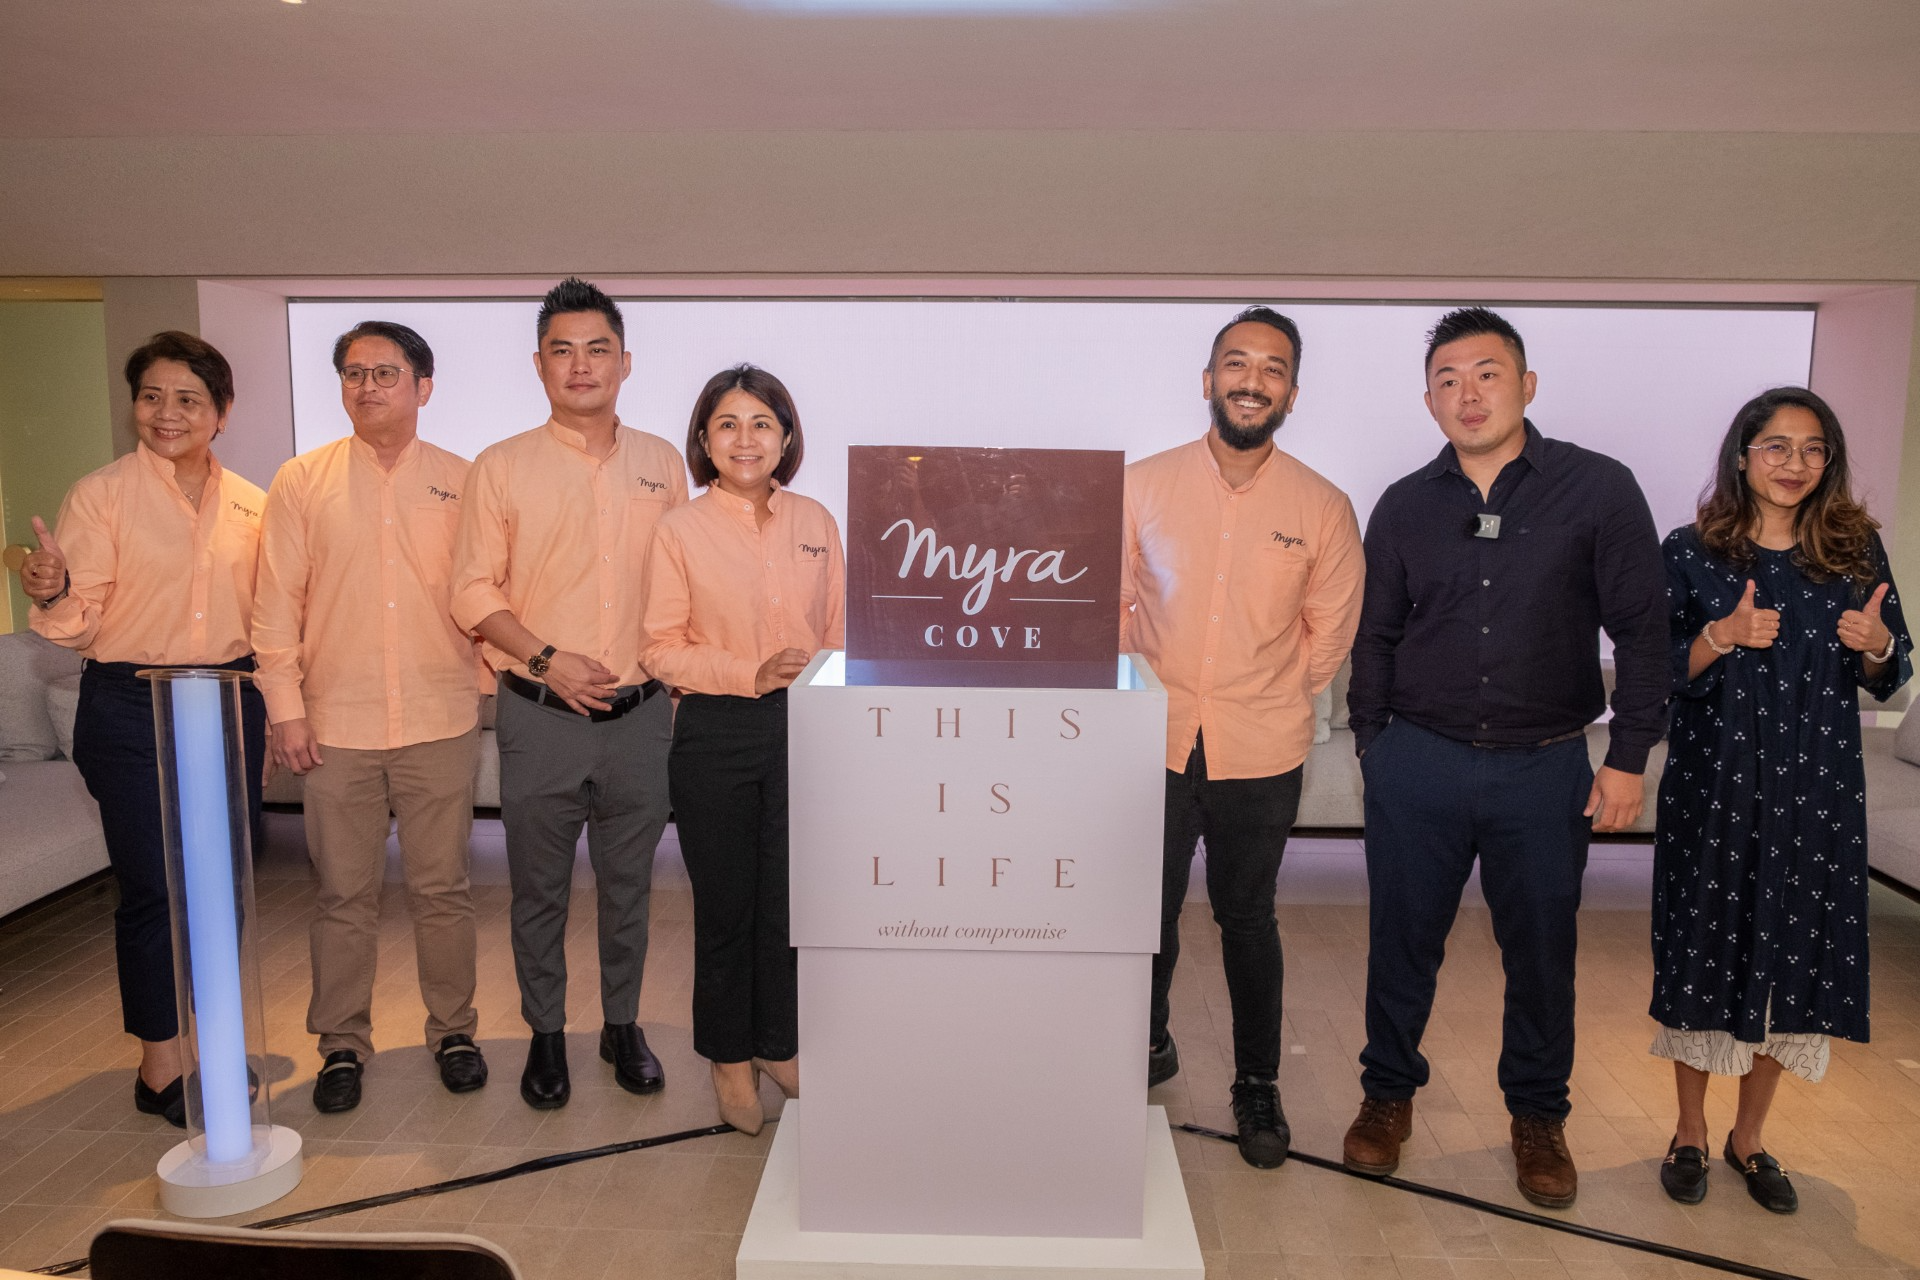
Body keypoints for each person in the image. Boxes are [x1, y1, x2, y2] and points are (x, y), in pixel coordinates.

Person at [1344, 307, 1667, 1208]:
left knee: (1542, 954)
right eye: (1447, 381)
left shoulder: (1599, 489)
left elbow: (1645, 634)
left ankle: (1538, 1117)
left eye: (1487, 374)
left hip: (1545, 767)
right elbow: (1376, 636)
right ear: (1429, 402)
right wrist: (1375, 745)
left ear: (1526, 385)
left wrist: (1628, 757)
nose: (1468, 394)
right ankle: (1386, 1095)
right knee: (1401, 944)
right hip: (1421, 761)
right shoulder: (1405, 504)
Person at [1649, 387, 1909, 1214]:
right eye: (1777, 447)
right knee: (1704, 951)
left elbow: (1890, 671)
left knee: (1794, 961)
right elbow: (1656, 673)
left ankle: (1749, 1139)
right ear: (1742, 455)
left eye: (1813, 449)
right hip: (1714, 788)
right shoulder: (1691, 551)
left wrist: (1877, 647)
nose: (1795, 464)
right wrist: (1720, 635)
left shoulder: (1855, 552)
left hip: (1818, 793)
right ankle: (1689, 1131)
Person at [1121, 306, 1365, 1168]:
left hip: (1261, 750)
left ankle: (1257, 1084)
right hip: (1149, 742)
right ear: (1208, 380)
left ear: (1291, 393)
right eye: (1236, 362)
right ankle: (1145, 1042)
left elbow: (1330, 634)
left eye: (1272, 368)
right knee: (1142, 911)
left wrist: (1268, 694)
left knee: (1247, 918)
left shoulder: (1323, 506)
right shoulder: (1142, 485)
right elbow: (1111, 606)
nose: (1251, 380)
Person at [19, 331, 268, 1127]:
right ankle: (161, 1061)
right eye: (152, 396)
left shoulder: (252, 504)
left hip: (227, 698)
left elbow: (270, 613)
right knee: (157, 885)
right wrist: (52, 591)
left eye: (189, 399)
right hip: (130, 705)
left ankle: (214, 1039)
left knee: (222, 884)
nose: (168, 413)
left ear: (222, 412)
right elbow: (78, 622)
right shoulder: (101, 494)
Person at [450, 278, 687, 1109]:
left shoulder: (663, 463)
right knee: (538, 891)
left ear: (625, 362)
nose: (581, 365)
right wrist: (545, 658)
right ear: (539, 364)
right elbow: (471, 590)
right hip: (541, 716)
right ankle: (545, 1034)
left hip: (640, 717)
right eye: (563, 350)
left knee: (630, 888)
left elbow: (681, 582)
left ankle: (622, 1026)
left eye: (597, 349)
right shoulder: (501, 465)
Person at [254, 321, 487, 1114]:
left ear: (424, 386)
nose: (367, 387)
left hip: (440, 716)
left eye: (386, 373)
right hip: (335, 725)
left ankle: (454, 1032)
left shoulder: (464, 481)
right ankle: (342, 1045)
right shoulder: (302, 481)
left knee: (443, 890)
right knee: (342, 896)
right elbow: (274, 607)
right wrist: (285, 710)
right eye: (354, 374)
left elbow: (487, 594)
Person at [641, 364, 844, 1134]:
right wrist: (748, 673)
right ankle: (729, 1058)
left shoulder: (816, 521)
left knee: (787, 905)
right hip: (716, 732)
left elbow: (840, 633)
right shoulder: (678, 530)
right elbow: (659, 647)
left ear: (787, 438)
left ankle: (776, 1045)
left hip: (806, 731)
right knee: (726, 907)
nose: (745, 438)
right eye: (727, 424)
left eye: (762, 423)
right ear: (704, 438)